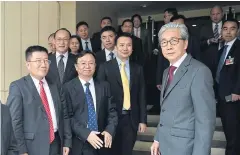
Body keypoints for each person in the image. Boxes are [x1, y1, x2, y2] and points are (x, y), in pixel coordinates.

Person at [150, 23, 216, 155]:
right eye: (164, 42)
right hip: (165, 145)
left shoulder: (199, 71)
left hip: (185, 148)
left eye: (174, 41)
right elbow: (166, 111)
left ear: (185, 44)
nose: (168, 46)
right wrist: (157, 139)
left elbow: (205, 122)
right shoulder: (166, 72)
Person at [6, 45, 72, 155]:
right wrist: (21, 150)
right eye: (38, 61)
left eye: (46, 61)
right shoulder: (18, 87)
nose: (43, 64)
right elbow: (14, 121)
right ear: (28, 64)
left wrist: (67, 141)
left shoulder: (55, 85)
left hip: (56, 143)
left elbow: (64, 115)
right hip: (31, 146)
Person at [97, 33, 147, 155]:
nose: (125, 48)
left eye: (129, 45)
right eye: (122, 45)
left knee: (127, 151)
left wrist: (143, 120)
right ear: (115, 48)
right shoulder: (105, 67)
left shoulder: (137, 68)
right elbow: (100, 95)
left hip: (130, 119)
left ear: (132, 48)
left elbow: (141, 94)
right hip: (110, 119)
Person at [63, 50, 118, 155]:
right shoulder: (67, 88)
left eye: (91, 63)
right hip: (79, 142)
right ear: (76, 67)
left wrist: (110, 130)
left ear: (95, 65)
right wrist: (87, 134)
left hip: (102, 140)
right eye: (83, 63)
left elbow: (112, 111)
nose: (87, 66)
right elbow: (68, 117)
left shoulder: (104, 86)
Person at [215, 18, 240, 155]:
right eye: (225, 28)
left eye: (232, 28)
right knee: (229, 132)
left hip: (234, 98)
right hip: (223, 97)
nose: (228, 32)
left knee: (233, 134)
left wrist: (237, 91)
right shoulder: (221, 50)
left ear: (238, 31)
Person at [200, 5, 224, 79]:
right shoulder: (204, 28)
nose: (215, 16)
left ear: (222, 14)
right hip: (208, 63)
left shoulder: (227, 26)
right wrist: (209, 41)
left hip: (224, 61)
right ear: (210, 16)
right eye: (213, 14)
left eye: (218, 14)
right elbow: (199, 45)